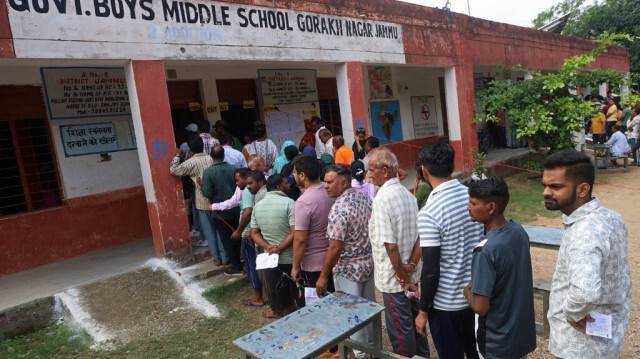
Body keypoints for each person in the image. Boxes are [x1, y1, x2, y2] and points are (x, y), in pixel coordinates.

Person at [541, 151, 631, 359]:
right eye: (544, 185)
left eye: (555, 187)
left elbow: (585, 292)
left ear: (582, 189)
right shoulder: (611, 217)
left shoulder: (585, 230)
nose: (546, 192)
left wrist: (572, 314)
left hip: (579, 346)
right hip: (607, 336)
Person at [415, 141, 482, 359]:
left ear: (424, 171)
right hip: (475, 297)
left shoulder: (429, 213)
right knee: (475, 352)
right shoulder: (472, 198)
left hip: (446, 306)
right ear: (452, 166)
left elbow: (431, 270)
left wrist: (423, 311)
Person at [463, 177, 536, 359]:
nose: (468, 207)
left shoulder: (485, 250)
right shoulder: (518, 231)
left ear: (491, 208)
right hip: (519, 336)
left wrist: (467, 293)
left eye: (473, 203)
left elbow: (481, 307)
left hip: (496, 342)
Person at [367, 147, 429, 358]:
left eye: (372, 169)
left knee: (401, 330)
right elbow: (420, 237)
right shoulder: (407, 194)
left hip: (396, 281)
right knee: (414, 320)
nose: (369, 175)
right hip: (409, 275)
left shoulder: (382, 200)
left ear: (385, 171)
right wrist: (411, 266)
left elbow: (390, 245)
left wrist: (403, 277)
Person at [317, 164, 375, 359]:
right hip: (367, 264)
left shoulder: (339, 209)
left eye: (330, 181)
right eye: (325, 181)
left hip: (348, 269)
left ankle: (362, 354)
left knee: (353, 315)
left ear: (343, 182)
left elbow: (335, 247)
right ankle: (372, 348)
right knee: (368, 311)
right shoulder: (364, 198)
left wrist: (323, 275)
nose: (325, 185)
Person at [170, 135, 228, 265]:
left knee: (209, 232)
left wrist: (177, 156)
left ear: (190, 149)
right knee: (220, 230)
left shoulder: (190, 162)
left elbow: (174, 170)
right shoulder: (211, 158)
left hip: (202, 201)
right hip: (217, 199)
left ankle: (216, 258)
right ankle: (225, 257)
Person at [250, 174, 296, 319]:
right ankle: (290, 314)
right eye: (285, 183)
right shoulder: (290, 203)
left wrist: (268, 246)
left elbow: (254, 233)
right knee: (293, 288)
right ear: (278, 187)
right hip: (290, 256)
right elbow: (295, 232)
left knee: (277, 288)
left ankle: (279, 312)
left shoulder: (258, 206)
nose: (289, 184)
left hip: (270, 257)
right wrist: (280, 247)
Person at [291, 154, 336, 302]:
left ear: (302, 175)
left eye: (295, 172)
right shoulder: (330, 190)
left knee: (321, 305)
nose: (293, 175)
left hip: (314, 264)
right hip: (334, 257)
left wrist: (295, 266)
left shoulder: (303, 201)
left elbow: (300, 240)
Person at [201, 146, 242, 276]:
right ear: (224, 155)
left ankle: (236, 267)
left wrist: (202, 185)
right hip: (235, 208)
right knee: (238, 235)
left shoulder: (208, 172)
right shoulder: (232, 168)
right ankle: (240, 260)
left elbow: (207, 192)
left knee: (227, 239)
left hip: (220, 212)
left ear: (211, 156)